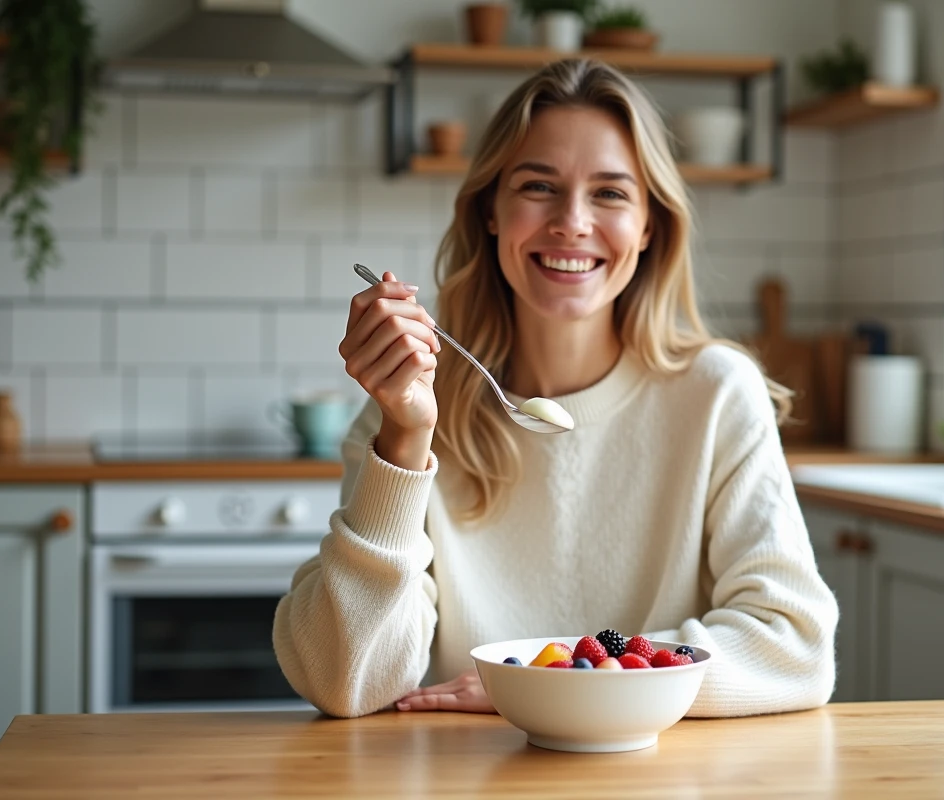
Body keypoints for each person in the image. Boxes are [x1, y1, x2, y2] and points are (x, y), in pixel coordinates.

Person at [273, 58, 838, 719]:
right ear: (490, 210)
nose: (572, 221)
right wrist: (405, 440)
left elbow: (793, 647)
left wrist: (552, 681)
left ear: (650, 225)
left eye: (610, 193)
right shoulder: (405, 411)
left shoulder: (716, 395)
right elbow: (344, 682)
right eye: (539, 186)